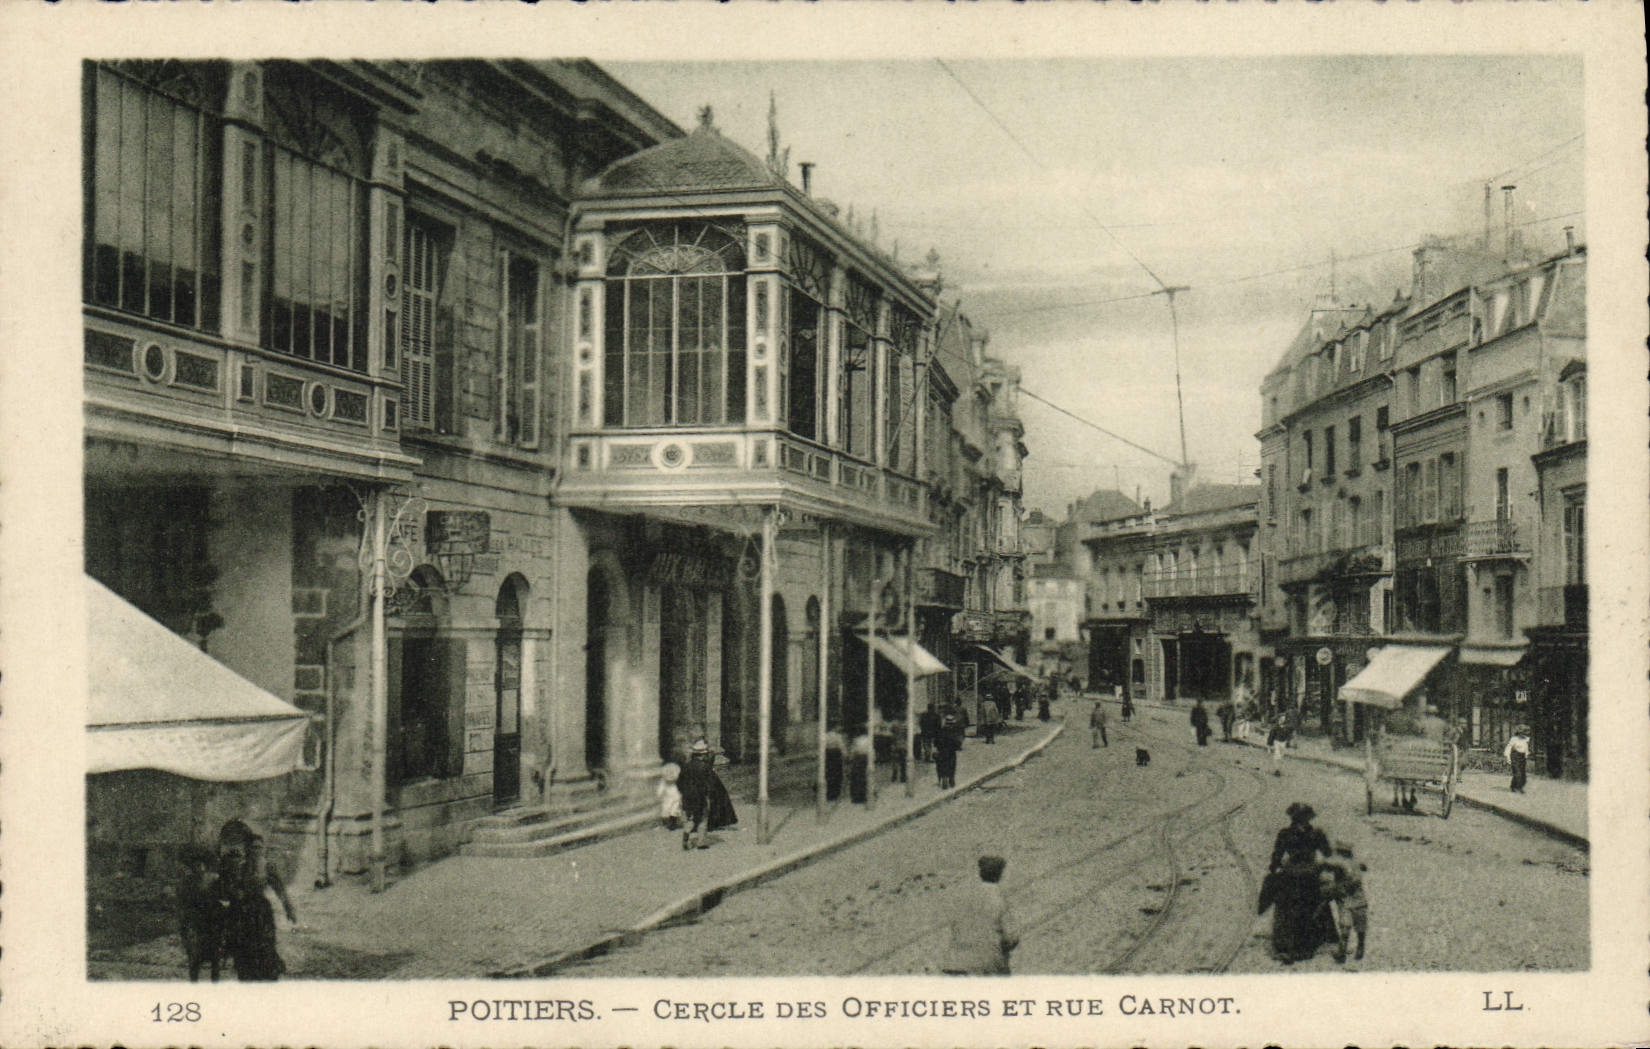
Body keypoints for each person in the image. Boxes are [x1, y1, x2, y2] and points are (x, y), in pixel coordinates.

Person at [214, 819, 295, 981]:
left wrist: (288, 908)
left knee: (264, 944)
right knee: (241, 947)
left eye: (259, 847)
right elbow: (226, 887)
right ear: (247, 848)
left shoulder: (266, 867)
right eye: (253, 847)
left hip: (260, 910)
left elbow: (279, 887)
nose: (256, 850)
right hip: (240, 910)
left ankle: (267, 971)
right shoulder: (238, 865)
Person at [1264, 802, 1332, 964]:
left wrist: (1274, 869)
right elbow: (1327, 852)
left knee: (1288, 910)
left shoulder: (1285, 834)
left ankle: (1287, 946)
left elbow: (1276, 857)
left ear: (1292, 818)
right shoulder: (1317, 833)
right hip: (1310, 875)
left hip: (1291, 876)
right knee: (1312, 907)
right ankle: (1310, 944)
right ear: (1309, 818)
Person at [940, 855, 1020, 975]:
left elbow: (954, 927)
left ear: (980, 873)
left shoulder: (965, 897)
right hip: (987, 965)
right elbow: (1010, 937)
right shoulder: (998, 898)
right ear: (1000, 874)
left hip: (955, 962)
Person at [1320, 840, 1369, 962]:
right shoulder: (1355, 862)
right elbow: (1364, 866)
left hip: (1345, 898)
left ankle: (1342, 952)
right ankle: (1360, 948)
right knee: (1360, 926)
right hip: (1359, 899)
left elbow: (1325, 863)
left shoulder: (1340, 863)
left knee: (1345, 925)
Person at [934, 707, 963, 789]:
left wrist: (938, 747)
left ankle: (942, 779)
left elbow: (936, 741)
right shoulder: (954, 732)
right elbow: (957, 743)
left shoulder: (941, 731)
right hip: (951, 752)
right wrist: (957, 747)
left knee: (941, 766)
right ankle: (951, 779)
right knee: (952, 766)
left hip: (942, 752)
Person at [1505, 724, 1531, 794]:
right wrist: (1508, 758)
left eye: (1526, 733)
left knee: (1522, 773)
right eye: (1523, 733)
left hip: (1522, 757)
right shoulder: (1514, 739)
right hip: (1515, 756)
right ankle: (1518, 787)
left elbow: (1526, 747)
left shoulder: (1526, 739)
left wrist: (1526, 754)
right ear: (1519, 733)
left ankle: (1515, 786)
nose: (1525, 735)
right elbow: (1508, 748)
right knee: (1517, 772)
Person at [656, 762, 683, 830]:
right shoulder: (667, 781)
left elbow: (661, 788)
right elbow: (661, 788)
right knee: (670, 808)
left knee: (671, 808)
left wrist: (659, 794)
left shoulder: (666, 780)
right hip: (672, 795)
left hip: (671, 795)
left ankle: (670, 823)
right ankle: (670, 823)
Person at [849, 729, 873, 804]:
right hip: (865, 758)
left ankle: (856, 797)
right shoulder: (869, 740)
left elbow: (853, 750)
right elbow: (871, 750)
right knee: (864, 777)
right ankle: (864, 795)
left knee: (856, 777)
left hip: (857, 758)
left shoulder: (856, 740)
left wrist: (851, 758)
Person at [824, 727, 845, 801]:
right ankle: (835, 793)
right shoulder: (838, 736)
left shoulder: (825, 736)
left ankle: (828, 792)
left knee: (829, 773)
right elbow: (841, 746)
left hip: (828, 755)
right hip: (836, 755)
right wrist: (845, 755)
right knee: (837, 773)